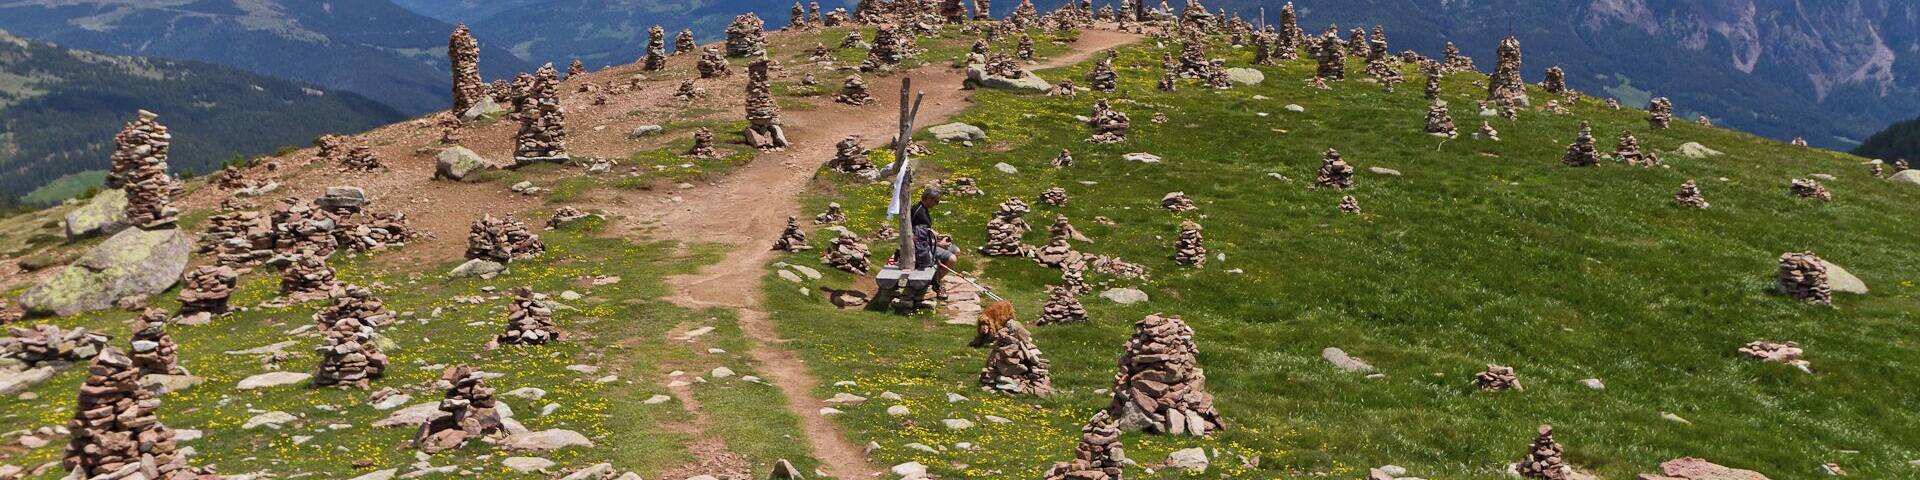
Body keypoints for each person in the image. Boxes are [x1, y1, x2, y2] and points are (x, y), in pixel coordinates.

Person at [911, 186, 958, 296]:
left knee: (957, 250)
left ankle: (936, 278)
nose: (936, 204)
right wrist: (939, 244)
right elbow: (917, 238)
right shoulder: (920, 213)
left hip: (928, 243)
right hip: (921, 248)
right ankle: (934, 283)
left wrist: (938, 235)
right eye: (936, 201)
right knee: (952, 259)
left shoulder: (921, 208)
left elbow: (926, 230)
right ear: (928, 198)